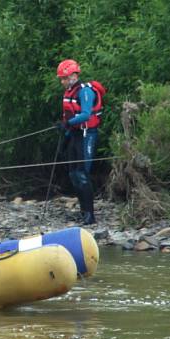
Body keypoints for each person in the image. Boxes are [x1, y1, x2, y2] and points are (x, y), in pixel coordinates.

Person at [56, 59, 106, 225]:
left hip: (87, 134)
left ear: (74, 75)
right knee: (73, 174)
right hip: (75, 134)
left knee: (82, 174)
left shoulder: (85, 92)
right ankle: (83, 211)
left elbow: (85, 114)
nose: (62, 81)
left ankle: (90, 215)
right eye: (61, 79)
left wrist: (67, 123)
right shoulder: (68, 92)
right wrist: (66, 133)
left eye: (64, 78)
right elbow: (70, 116)